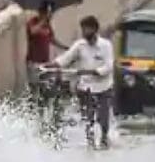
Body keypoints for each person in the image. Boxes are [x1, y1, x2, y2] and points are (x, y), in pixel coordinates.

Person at [46, 14, 114, 148]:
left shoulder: (106, 45)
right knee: (88, 117)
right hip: (86, 87)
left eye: (87, 29)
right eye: (83, 29)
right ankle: (90, 141)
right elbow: (65, 59)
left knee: (103, 118)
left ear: (95, 29)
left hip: (104, 87)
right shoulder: (79, 45)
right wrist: (50, 66)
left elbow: (109, 66)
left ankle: (104, 138)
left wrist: (94, 72)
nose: (84, 32)